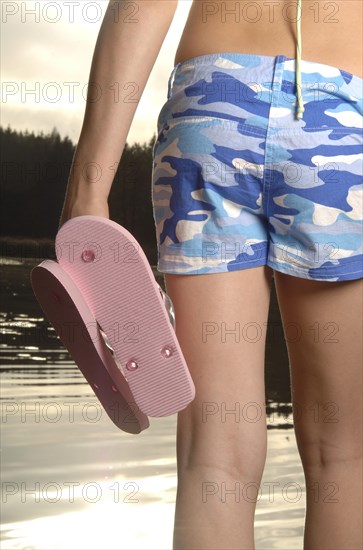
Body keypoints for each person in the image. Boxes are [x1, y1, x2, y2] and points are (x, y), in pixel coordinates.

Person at [59, 1, 363, 548]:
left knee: (213, 460)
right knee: (344, 457)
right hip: (342, 124)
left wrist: (88, 189)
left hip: (210, 105)